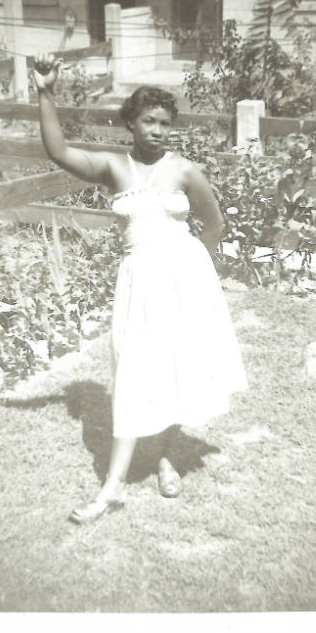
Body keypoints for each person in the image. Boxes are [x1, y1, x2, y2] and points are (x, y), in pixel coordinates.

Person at [33, 53, 248, 524]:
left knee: (176, 365)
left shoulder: (185, 170)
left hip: (183, 277)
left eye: (166, 123)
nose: (158, 130)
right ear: (129, 122)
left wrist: (191, 277)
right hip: (137, 281)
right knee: (133, 371)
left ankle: (166, 455)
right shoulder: (113, 167)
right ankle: (112, 489)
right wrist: (46, 91)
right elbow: (59, 152)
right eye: (148, 120)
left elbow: (213, 224)